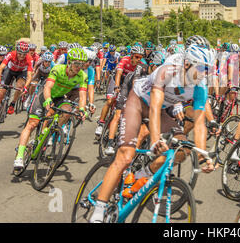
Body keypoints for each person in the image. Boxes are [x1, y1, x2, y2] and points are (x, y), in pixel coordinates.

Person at [89, 45, 216, 223]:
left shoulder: (200, 85)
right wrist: (155, 140)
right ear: (187, 64)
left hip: (163, 110)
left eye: (210, 69)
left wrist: (203, 155)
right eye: (202, 68)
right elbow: (154, 109)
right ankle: (99, 209)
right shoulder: (168, 72)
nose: (205, 74)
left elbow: (200, 122)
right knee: (126, 156)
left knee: (182, 150)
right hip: (139, 102)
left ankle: (142, 174)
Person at [13, 48, 88, 170]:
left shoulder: (82, 76)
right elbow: (48, 87)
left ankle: (51, 130)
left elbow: (83, 95)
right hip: (44, 95)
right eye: (76, 63)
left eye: (82, 64)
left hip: (59, 97)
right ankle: (19, 156)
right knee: (32, 124)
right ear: (69, 62)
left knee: (68, 110)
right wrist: (48, 100)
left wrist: (82, 109)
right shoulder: (58, 69)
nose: (79, 67)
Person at [0, 41, 33, 129]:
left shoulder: (29, 58)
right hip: (10, 71)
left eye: (24, 54)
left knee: (19, 87)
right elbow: (0, 68)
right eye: (20, 54)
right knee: (1, 93)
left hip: (21, 73)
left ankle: (13, 103)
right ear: (16, 51)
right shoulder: (11, 54)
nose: (22, 56)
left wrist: (25, 87)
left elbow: (29, 76)